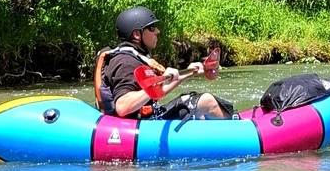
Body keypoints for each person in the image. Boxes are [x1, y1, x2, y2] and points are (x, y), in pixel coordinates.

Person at [93, 8, 230, 120]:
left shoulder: (134, 57)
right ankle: (236, 131)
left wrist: (188, 73)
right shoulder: (125, 63)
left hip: (147, 118)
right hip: (140, 126)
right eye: (152, 28)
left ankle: (230, 121)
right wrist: (157, 84)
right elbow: (122, 107)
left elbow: (154, 91)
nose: (157, 32)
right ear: (136, 34)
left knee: (199, 113)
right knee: (207, 101)